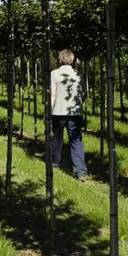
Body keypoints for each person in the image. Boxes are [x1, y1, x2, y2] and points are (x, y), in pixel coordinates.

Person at [50, 49, 88, 180]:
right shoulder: (78, 75)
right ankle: (80, 171)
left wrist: (49, 111)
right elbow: (83, 95)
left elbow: (52, 94)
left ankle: (55, 164)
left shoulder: (54, 74)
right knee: (76, 140)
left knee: (57, 139)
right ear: (72, 60)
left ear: (60, 60)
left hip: (58, 112)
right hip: (75, 113)